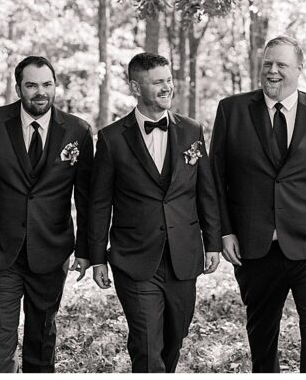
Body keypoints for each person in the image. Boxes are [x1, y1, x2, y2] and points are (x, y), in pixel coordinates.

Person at [209, 36, 306, 372]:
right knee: (261, 335)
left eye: (281, 65)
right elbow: (216, 178)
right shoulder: (232, 110)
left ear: (299, 69)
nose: (272, 71)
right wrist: (224, 232)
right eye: (267, 64)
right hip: (254, 245)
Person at [88, 53, 220, 372]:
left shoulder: (192, 131)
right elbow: (99, 203)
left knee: (174, 339)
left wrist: (213, 242)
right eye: (157, 82)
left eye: (168, 80)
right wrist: (97, 257)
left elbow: (206, 192)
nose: (167, 87)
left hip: (183, 256)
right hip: (134, 258)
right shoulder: (111, 138)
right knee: (147, 346)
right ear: (136, 87)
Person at [0, 55, 93, 373]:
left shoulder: (78, 130)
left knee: (42, 335)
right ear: (18, 87)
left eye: (47, 84)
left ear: (55, 86)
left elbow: (87, 197)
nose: (40, 92)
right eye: (32, 85)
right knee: (2, 334)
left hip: (51, 250)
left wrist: (86, 249)